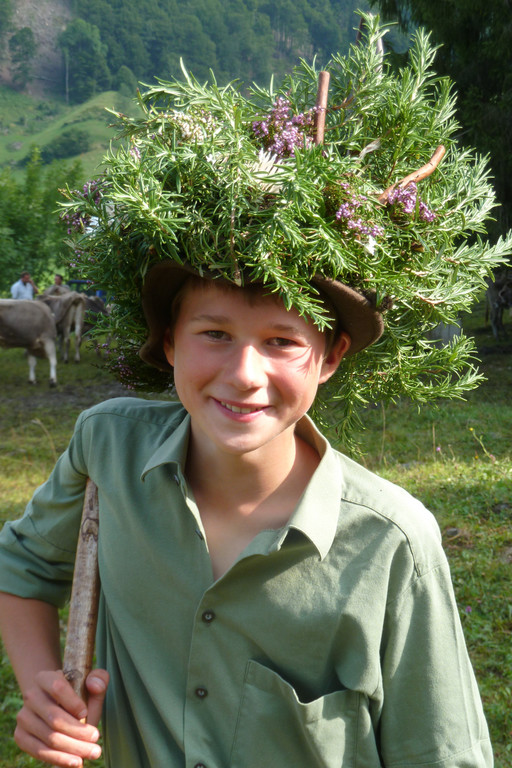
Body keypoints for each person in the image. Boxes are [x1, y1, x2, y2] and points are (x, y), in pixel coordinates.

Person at [0, 19, 502, 767]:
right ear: (169, 342)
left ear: (330, 357)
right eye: (213, 334)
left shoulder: (392, 543)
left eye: (281, 341)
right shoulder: (107, 448)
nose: (243, 373)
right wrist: (45, 689)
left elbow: (442, 751)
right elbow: (20, 570)